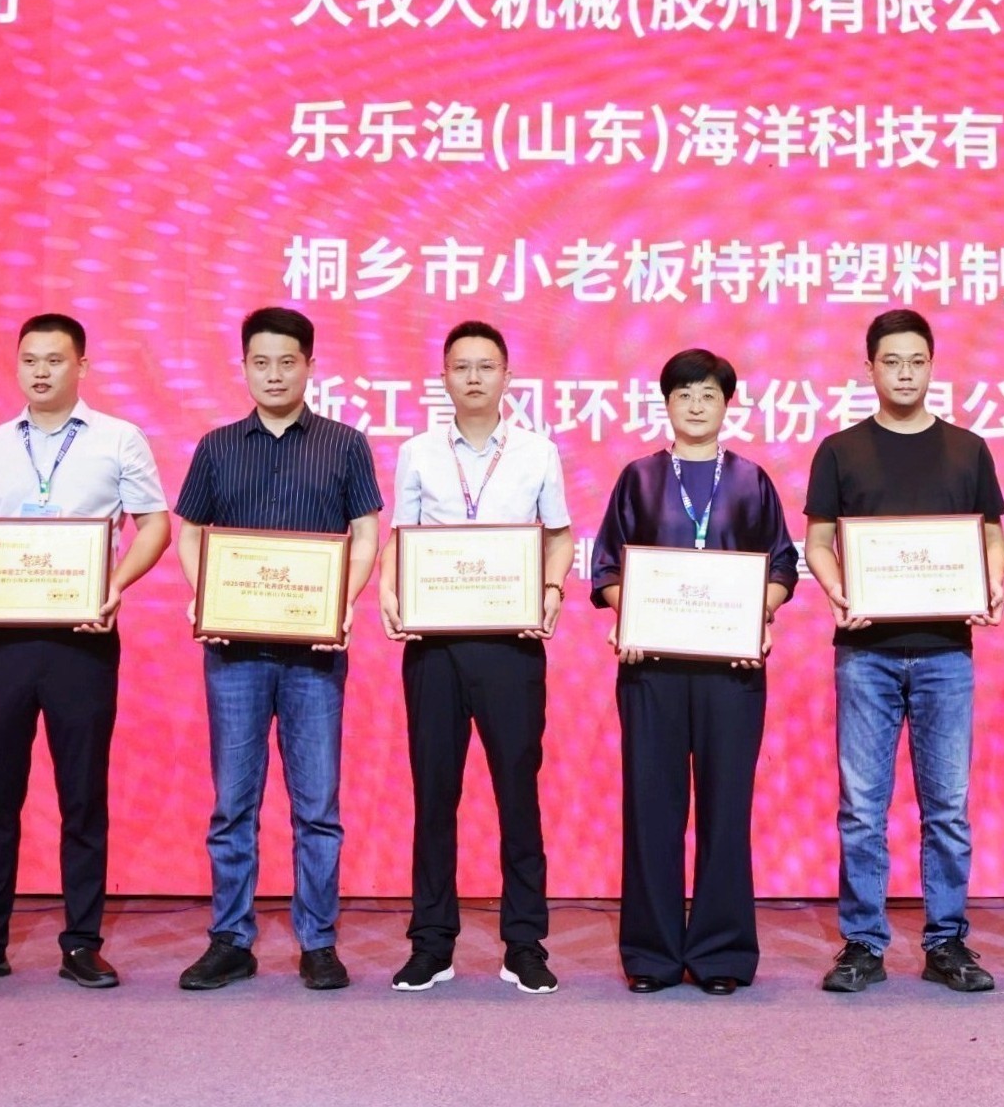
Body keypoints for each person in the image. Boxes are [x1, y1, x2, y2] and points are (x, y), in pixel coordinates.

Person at [0, 313, 170, 990]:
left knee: (81, 795)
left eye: (55, 360)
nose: (40, 371)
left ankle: (81, 943)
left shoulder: (118, 439)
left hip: (81, 641)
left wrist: (114, 586)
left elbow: (154, 524)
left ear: (81, 366)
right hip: (1, 640)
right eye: (29, 359)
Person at [173, 306, 383, 993]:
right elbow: (189, 530)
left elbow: (365, 530)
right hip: (234, 652)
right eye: (260, 362)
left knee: (316, 806)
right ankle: (230, 939)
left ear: (309, 366)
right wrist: (205, 594)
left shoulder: (345, 445)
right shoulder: (216, 447)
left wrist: (343, 602)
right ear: (243, 367)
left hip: (313, 654)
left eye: (286, 362)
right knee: (233, 803)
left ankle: (317, 941)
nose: (273, 374)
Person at [803, 309, 1004, 996]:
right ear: (869, 368)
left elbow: (990, 537)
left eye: (916, 361)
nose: (904, 373)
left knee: (947, 808)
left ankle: (946, 941)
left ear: (932, 365)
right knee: (862, 809)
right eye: (891, 361)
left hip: (947, 652)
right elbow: (819, 543)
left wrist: (992, 582)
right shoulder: (840, 450)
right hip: (865, 651)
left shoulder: (967, 449)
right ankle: (863, 943)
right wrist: (838, 591)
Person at [591, 349, 798, 994]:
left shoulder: (752, 480)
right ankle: (651, 955)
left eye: (709, 393)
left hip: (731, 671)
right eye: (684, 394)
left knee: (725, 810)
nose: (697, 405)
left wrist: (757, 618)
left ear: (727, 404)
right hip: (651, 670)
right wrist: (630, 617)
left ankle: (721, 954)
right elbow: (607, 566)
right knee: (651, 809)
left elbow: (782, 565)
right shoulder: (639, 477)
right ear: (666, 404)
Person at [380, 321, 573, 994]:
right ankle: (432, 943)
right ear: (443, 378)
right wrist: (388, 591)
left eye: (485, 367)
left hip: (510, 648)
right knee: (434, 795)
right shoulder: (417, 453)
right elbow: (400, 535)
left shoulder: (537, 452)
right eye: (460, 367)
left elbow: (559, 536)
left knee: (518, 794)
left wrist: (551, 589)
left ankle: (524, 943)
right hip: (433, 647)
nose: (473, 378)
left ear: (506, 377)